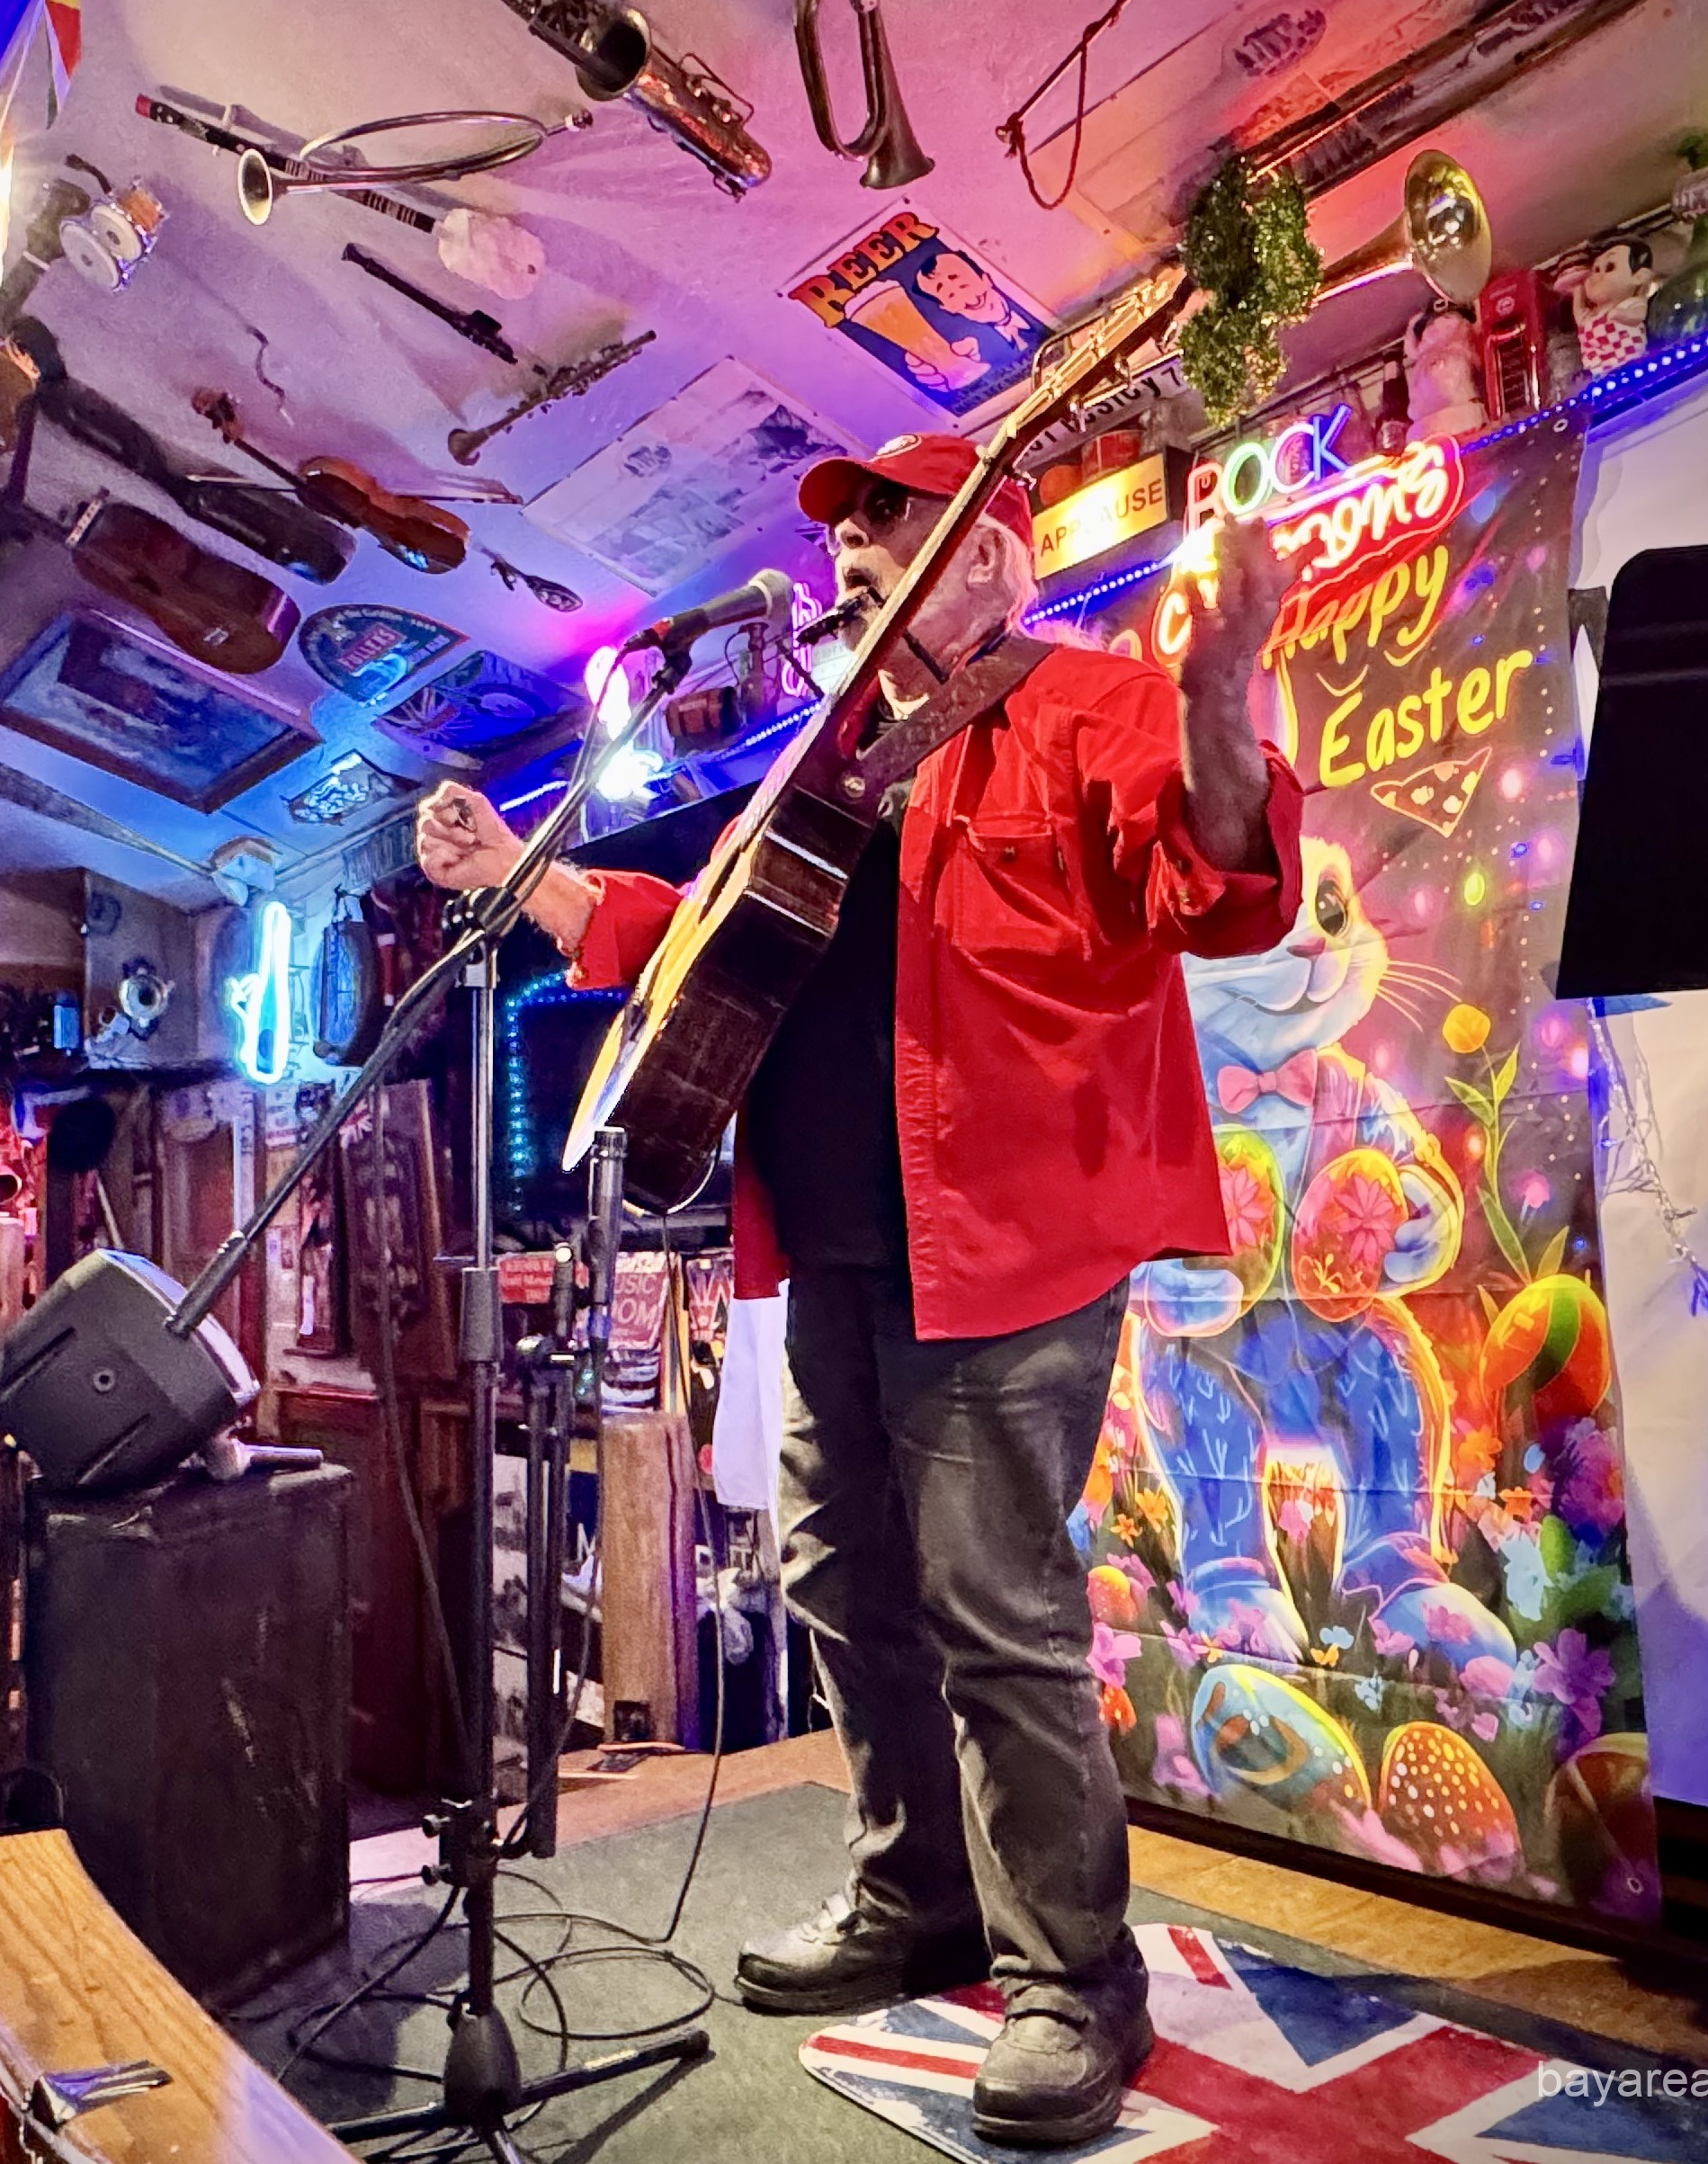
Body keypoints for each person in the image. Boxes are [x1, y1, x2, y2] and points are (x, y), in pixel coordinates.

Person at [416, 432, 1301, 2150]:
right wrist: (522, 879)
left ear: (995, 558)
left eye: (895, 522)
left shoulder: (1091, 703)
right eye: (850, 531)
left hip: (1004, 1251)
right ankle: (918, 1901)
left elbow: (1219, 881)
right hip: (823, 1245)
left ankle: (1069, 1978)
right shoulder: (828, 754)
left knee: (997, 1611)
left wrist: (1224, 687)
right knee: (838, 1578)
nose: (857, 553)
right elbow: (695, 931)